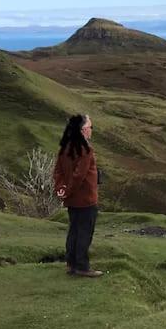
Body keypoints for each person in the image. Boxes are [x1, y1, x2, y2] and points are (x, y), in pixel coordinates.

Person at [53, 114, 102, 277]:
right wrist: (68, 190)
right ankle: (81, 266)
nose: (91, 131)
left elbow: (58, 171)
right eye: (90, 128)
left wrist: (62, 190)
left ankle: (71, 263)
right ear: (83, 130)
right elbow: (79, 175)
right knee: (84, 232)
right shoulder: (85, 149)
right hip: (86, 198)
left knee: (74, 230)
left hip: (71, 199)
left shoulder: (65, 146)